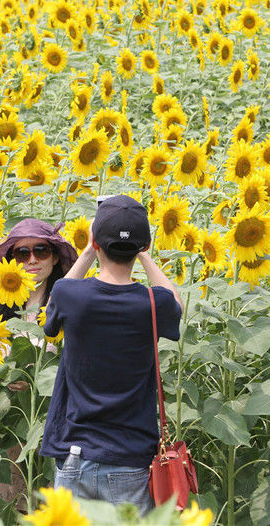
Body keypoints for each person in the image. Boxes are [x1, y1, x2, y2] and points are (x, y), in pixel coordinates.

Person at [40, 195, 184, 516]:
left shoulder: (70, 294)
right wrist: (146, 257)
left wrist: (89, 249)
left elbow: (51, 315)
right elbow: (177, 303)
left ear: (96, 241)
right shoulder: (152, 303)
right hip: (130, 459)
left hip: (74, 453)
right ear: (143, 245)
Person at [0, 218, 79, 511]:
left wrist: (39, 379)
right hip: (8, 432)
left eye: (41, 251)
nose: (32, 259)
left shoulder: (66, 310)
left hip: (53, 431)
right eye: (22, 253)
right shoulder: (0, 313)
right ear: (11, 262)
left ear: (55, 257)